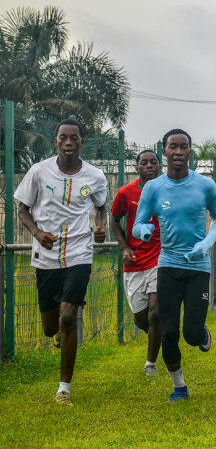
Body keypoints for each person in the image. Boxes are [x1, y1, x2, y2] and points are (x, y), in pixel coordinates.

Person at [15, 118, 108, 405]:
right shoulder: (39, 171)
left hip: (80, 251)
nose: (68, 143)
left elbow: (101, 206)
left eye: (74, 138)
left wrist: (100, 226)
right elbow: (22, 208)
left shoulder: (95, 176)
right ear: (56, 141)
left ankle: (64, 388)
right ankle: (56, 333)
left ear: (82, 141)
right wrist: (37, 232)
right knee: (50, 327)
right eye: (63, 138)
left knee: (69, 316)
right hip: (46, 255)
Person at [133, 128, 216, 402]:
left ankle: (201, 331)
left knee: (191, 335)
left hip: (198, 267)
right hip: (168, 265)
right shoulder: (153, 187)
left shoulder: (205, 185)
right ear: (165, 151)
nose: (179, 152)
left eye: (184, 147)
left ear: (190, 151)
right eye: (173, 147)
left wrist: (206, 244)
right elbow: (137, 224)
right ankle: (179, 387)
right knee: (168, 332)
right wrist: (144, 231)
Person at [110, 150, 162, 376]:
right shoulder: (125, 192)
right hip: (135, 263)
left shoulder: (169, 190)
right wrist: (124, 247)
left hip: (162, 258)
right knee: (142, 319)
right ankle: (164, 334)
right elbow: (114, 220)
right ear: (137, 167)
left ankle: (150, 364)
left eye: (154, 162)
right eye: (144, 162)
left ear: (160, 166)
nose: (149, 165)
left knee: (156, 310)